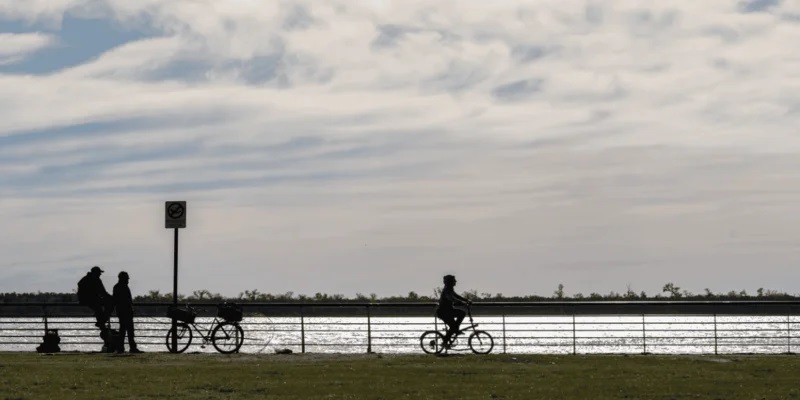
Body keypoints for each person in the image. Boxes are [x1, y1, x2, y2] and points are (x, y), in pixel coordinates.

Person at [436, 274, 472, 348]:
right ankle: (445, 342)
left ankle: (455, 330)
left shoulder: (450, 289)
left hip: (448, 311)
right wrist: (462, 302)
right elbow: (451, 298)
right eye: (454, 280)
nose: (455, 281)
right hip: (444, 312)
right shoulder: (447, 290)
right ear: (450, 282)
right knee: (455, 323)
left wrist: (466, 300)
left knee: (459, 317)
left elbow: (457, 296)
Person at [113, 271, 143, 354]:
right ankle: (130, 348)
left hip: (123, 311)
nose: (128, 280)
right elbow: (125, 300)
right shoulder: (122, 287)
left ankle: (121, 348)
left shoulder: (117, 287)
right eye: (127, 278)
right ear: (123, 278)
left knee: (125, 330)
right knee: (128, 330)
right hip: (125, 311)